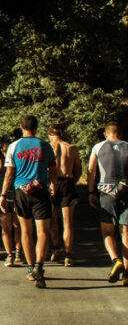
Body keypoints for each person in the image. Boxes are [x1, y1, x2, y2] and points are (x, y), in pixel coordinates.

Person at [1, 115, 57, 288]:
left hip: (20, 192)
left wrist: (3, 195)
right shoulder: (45, 145)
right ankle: (39, 266)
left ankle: (31, 267)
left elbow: (9, 174)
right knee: (43, 232)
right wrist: (53, 185)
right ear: (36, 127)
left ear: (21, 126)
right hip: (40, 191)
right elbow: (53, 169)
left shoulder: (13, 146)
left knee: (25, 231)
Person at [87, 121, 128, 285]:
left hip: (106, 191)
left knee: (107, 231)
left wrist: (91, 192)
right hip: (126, 191)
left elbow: (91, 171)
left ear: (106, 134)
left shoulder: (98, 147)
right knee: (126, 233)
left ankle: (115, 260)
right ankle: (126, 274)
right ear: (121, 134)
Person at [47, 124, 82, 266]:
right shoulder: (71, 148)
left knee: (52, 219)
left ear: (50, 134)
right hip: (67, 182)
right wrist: (72, 181)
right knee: (68, 222)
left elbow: (46, 167)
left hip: (52, 183)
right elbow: (78, 170)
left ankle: (55, 249)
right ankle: (68, 255)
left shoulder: (48, 147)